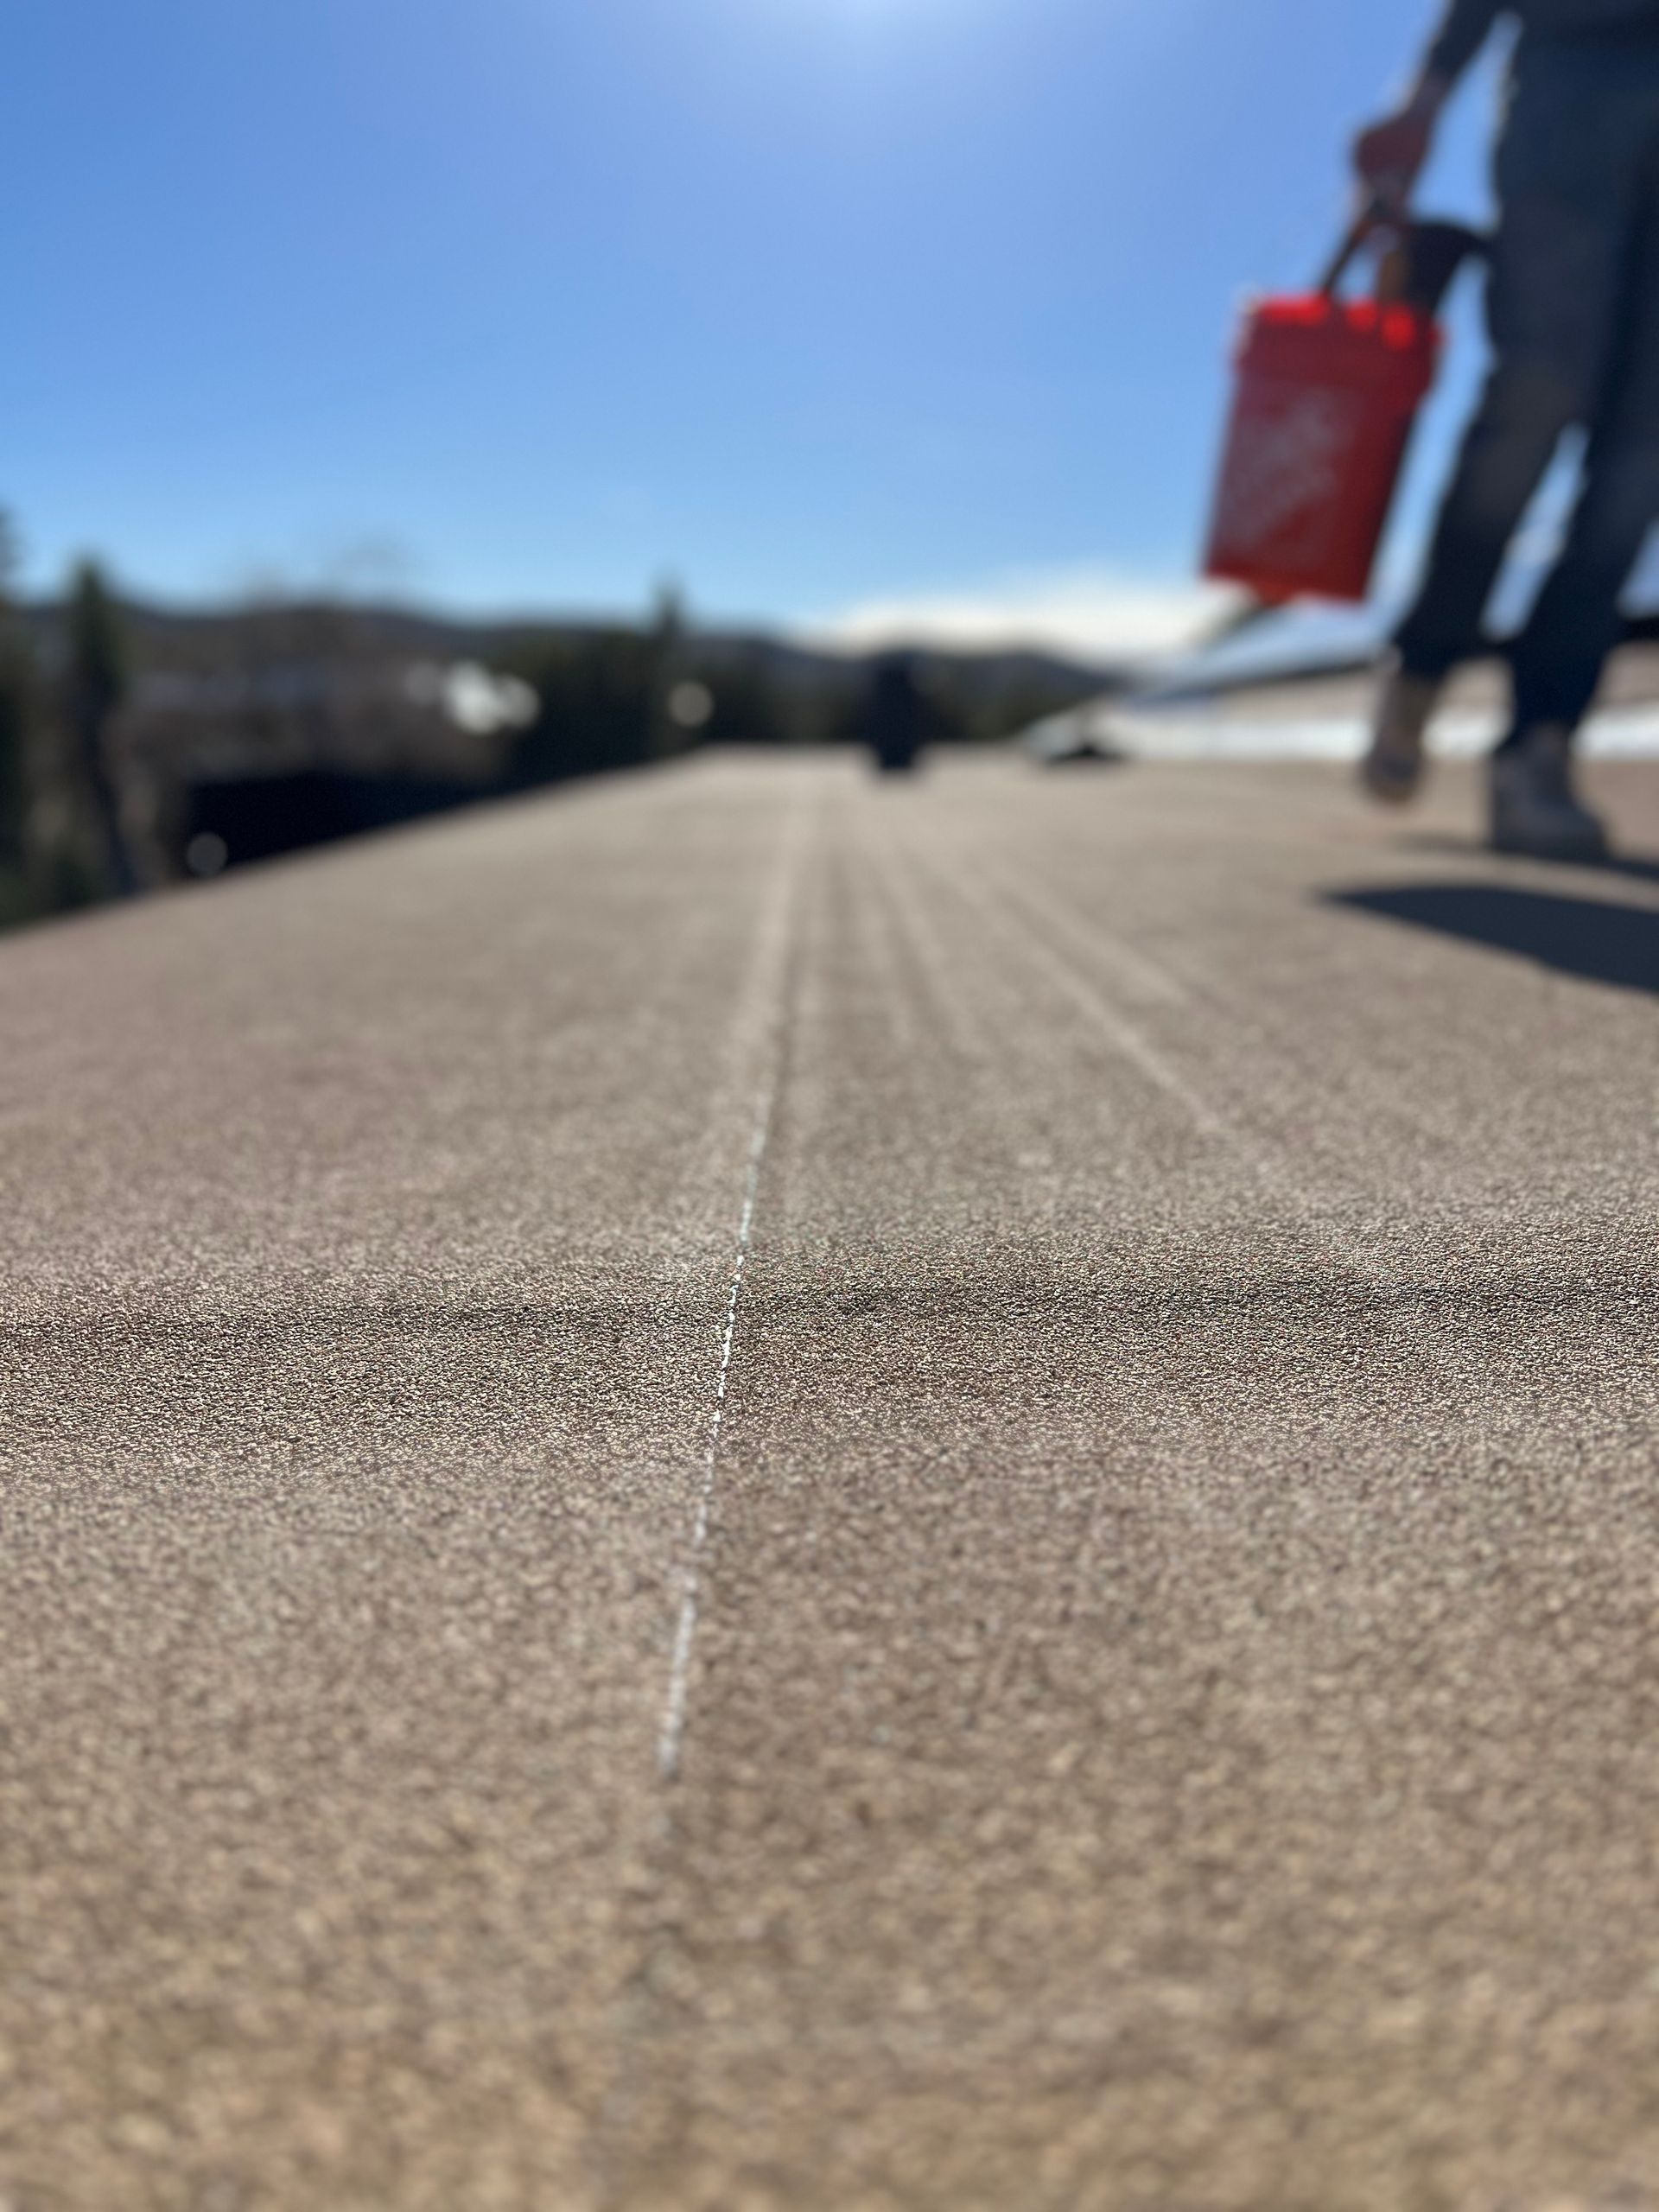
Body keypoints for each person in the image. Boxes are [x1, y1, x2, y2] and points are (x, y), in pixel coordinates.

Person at [1357, 0, 1659, 857]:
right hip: (1571, 78)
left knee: (1642, 455)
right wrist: (1424, 99)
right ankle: (1421, 667)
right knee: (1536, 393)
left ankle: (1542, 745)